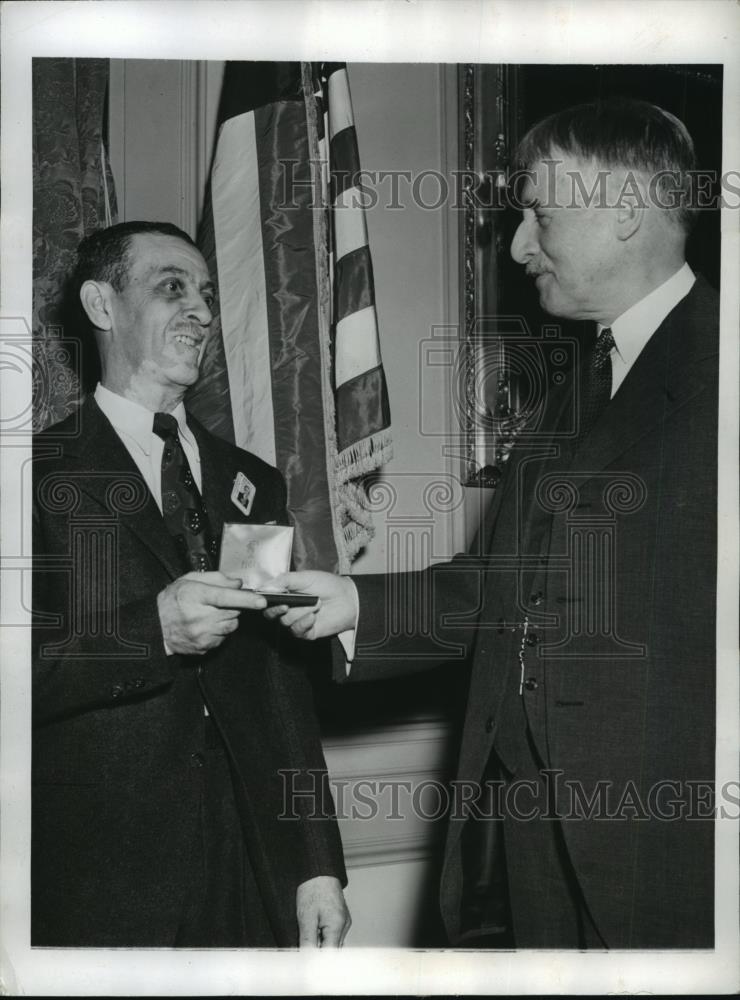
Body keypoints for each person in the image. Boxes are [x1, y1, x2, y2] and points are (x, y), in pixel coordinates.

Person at [266, 99, 719, 949]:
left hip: (669, 851)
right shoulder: (584, 381)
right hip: (527, 842)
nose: (514, 246)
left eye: (539, 214)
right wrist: (354, 603)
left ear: (625, 210)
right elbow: (510, 588)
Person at [31, 221, 350, 948]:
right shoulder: (35, 475)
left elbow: (279, 687)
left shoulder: (250, 482)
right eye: (171, 288)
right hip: (94, 878)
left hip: (246, 870)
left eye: (206, 293)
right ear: (101, 305)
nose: (202, 310)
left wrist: (314, 865)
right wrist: (154, 634)